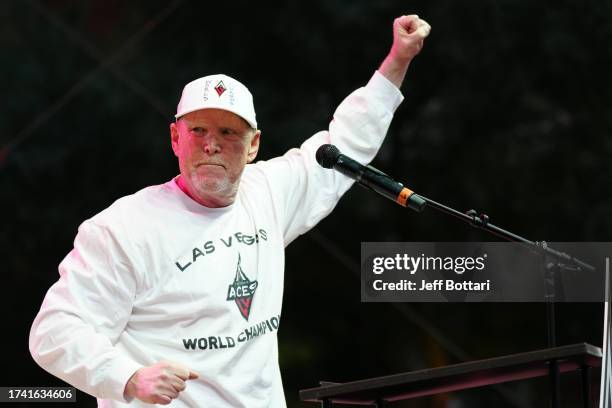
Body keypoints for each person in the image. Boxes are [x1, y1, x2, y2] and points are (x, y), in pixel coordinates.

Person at [29, 14, 431, 407]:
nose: (211, 144)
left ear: (253, 145)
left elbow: (347, 143)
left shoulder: (268, 192)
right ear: (175, 138)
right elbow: (55, 330)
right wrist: (128, 377)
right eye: (198, 130)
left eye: (228, 132)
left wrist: (398, 60)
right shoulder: (122, 229)